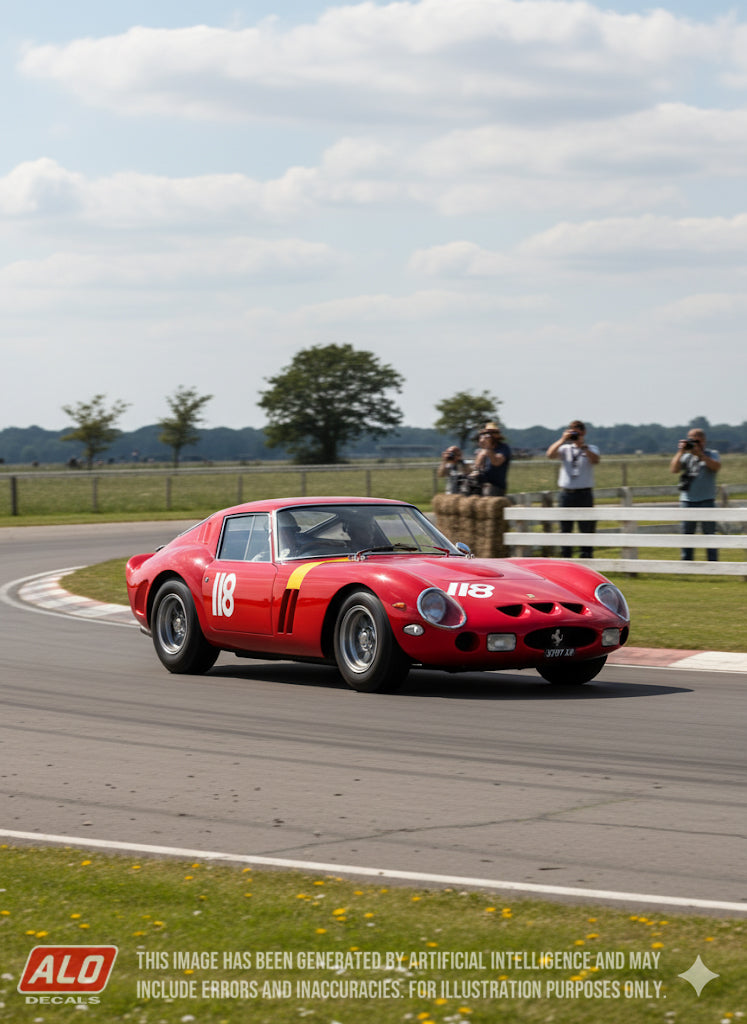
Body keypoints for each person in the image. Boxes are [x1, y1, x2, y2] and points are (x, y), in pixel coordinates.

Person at [546, 420, 600, 558]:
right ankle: (566, 557)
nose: (576, 435)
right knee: (565, 528)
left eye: (578, 432)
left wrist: (583, 447)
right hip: (566, 494)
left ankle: (586, 557)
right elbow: (550, 455)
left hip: (584, 493)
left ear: (584, 432)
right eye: (573, 431)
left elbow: (595, 460)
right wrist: (563, 439)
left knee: (586, 527)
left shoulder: (591, 448)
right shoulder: (565, 449)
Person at [669, 428, 721, 561]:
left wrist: (701, 455)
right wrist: (681, 451)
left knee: (710, 534)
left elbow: (716, 467)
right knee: (687, 535)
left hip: (707, 500)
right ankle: (686, 563)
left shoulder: (712, 454)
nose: (694, 443)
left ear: (703, 441)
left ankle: (713, 563)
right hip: (687, 500)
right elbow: (674, 469)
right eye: (691, 440)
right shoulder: (686, 456)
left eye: (697, 440)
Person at [473, 422, 511, 496]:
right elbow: (477, 466)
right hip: (482, 484)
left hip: (496, 486)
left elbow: (496, 462)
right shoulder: (481, 451)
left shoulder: (503, 448)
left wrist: (488, 447)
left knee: (488, 492)